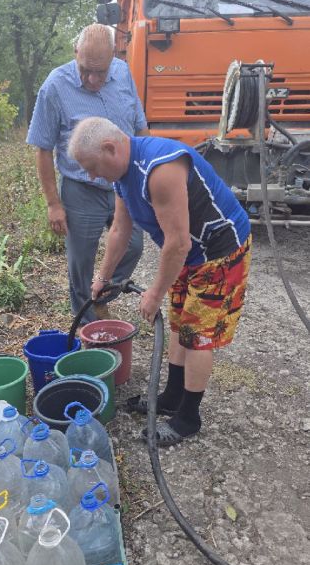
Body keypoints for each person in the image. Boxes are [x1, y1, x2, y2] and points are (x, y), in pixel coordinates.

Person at [69, 117, 252, 447]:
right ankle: (171, 396)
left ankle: (188, 417)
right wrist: (102, 276)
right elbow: (121, 231)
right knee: (181, 323)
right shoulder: (123, 176)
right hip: (188, 253)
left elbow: (178, 242)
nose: (91, 175)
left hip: (220, 251)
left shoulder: (160, 169)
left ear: (110, 148)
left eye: (92, 166)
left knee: (198, 335)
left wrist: (154, 292)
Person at [26, 23, 148, 323]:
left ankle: (102, 297)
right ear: (75, 52)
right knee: (80, 262)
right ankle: (86, 324)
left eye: (100, 72)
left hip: (124, 183)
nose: (93, 79)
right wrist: (54, 204)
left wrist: (147, 176)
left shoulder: (122, 73)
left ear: (113, 59)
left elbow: (140, 125)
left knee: (133, 247)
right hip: (81, 190)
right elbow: (42, 148)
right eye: (85, 71)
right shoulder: (54, 86)